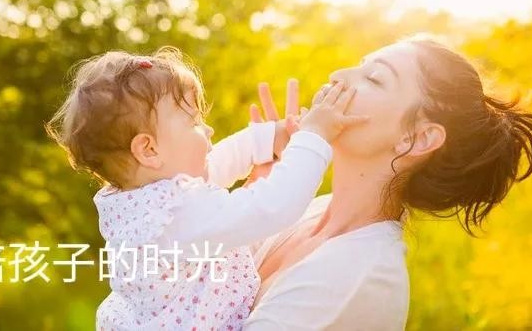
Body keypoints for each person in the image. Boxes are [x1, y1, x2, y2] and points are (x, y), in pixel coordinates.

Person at [45, 46, 368, 330]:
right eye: (194, 122)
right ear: (149, 150)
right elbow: (274, 206)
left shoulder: (144, 200)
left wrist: (271, 137)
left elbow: (216, 164)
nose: (208, 129)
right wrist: (314, 137)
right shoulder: (175, 218)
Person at [243, 34, 532, 330]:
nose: (338, 76)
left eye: (373, 78)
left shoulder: (360, 275)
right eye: (360, 65)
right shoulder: (310, 211)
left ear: (418, 138)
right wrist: (257, 196)